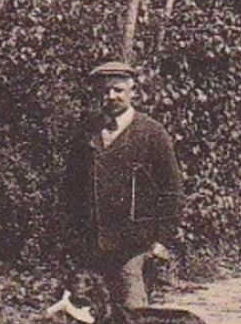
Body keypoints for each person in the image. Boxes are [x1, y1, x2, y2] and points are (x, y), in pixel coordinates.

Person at [64, 60, 183, 309]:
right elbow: (71, 188)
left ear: (133, 92)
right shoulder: (86, 132)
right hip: (93, 244)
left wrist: (162, 240)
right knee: (92, 319)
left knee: (134, 317)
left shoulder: (152, 133)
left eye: (118, 90)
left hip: (134, 246)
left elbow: (171, 191)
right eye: (105, 91)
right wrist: (72, 234)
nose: (111, 96)